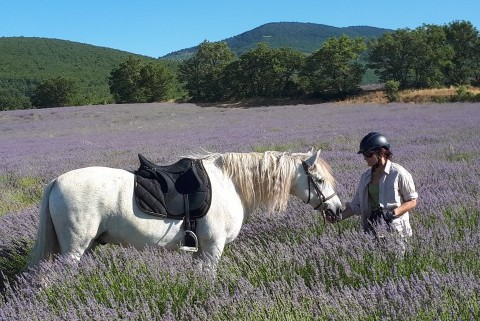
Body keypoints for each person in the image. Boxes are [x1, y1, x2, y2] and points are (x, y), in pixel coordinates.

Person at [328, 132, 418, 251]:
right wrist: (337, 218)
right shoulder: (365, 177)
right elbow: (356, 206)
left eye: (368, 154)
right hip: (371, 230)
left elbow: (412, 201)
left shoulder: (398, 173)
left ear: (381, 153)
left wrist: (393, 213)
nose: (365, 158)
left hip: (396, 231)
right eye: (364, 155)